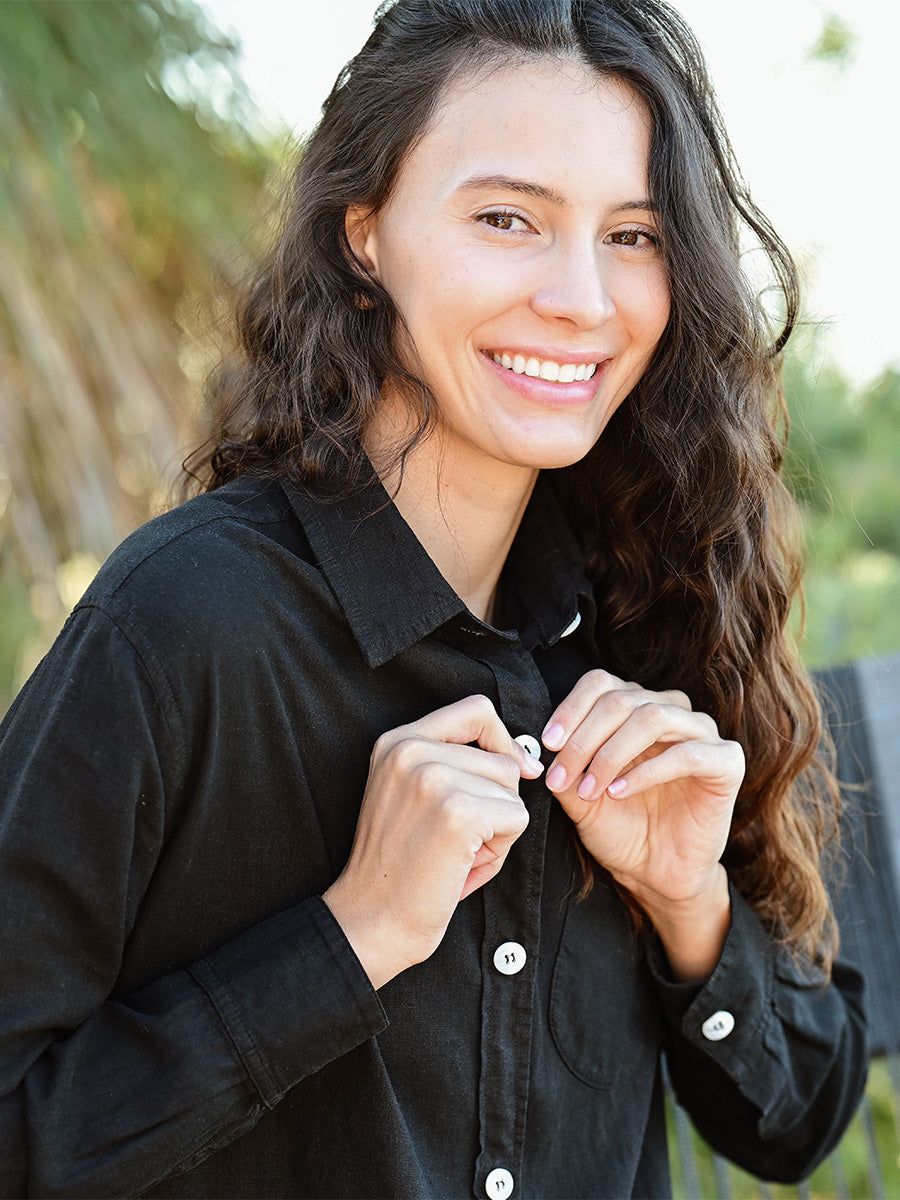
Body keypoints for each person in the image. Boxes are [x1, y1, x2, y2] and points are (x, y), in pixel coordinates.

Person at [0, 0, 867, 1196]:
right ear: (367, 233)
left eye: (634, 235)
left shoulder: (656, 616)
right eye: (507, 218)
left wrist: (689, 903)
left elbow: (799, 1122)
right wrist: (347, 943)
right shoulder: (181, 624)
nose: (582, 298)